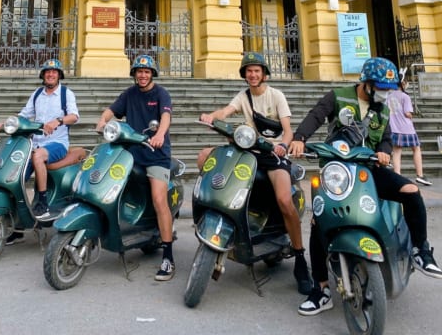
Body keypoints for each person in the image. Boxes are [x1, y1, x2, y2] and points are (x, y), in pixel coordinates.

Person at [289, 57, 442, 316]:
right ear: (367, 83)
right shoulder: (338, 96)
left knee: (412, 192)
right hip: (336, 173)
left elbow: (385, 137)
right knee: (319, 224)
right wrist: (299, 139)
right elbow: (315, 116)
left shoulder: (382, 108)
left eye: (388, 87)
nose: (385, 92)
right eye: (381, 87)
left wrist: (383, 152)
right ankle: (321, 290)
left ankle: (421, 251)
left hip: (369, 171)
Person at [197, 51, 312, 295]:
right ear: (244, 74)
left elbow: (288, 130)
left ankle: (300, 258)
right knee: (205, 156)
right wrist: (210, 117)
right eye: (248, 71)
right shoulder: (243, 96)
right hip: (248, 151)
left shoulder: (276, 95)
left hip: (273, 154)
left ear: (264, 74)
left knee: (283, 199)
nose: (252, 74)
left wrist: (282, 145)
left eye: (256, 70)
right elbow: (226, 111)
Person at [95, 54, 176, 281]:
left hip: (155, 155)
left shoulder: (161, 93)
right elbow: (111, 110)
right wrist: (103, 121)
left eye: (146, 72)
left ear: (152, 74)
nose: (142, 75)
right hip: (131, 153)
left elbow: (166, 116)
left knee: (159, 199)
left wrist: (160, 134)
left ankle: (168, 257)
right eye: (139, 72)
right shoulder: (129, 94)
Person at [0, 58, 79, 242]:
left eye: (54, 72)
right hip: (34, 143)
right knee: (14, 177)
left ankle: (42, 200)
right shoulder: (37, 94)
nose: (51, 75)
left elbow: (74, 116)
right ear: (43, 75)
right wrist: (7, 123)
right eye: (47, 72)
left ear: (59, 75)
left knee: (38, 156)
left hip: (57, 144)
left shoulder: (66, 94)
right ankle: (17, 225)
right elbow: (24, 114)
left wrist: (58, 121)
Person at [387, 70, 432, 185]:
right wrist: (411, 115)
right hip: (407, 128)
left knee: (397, 151)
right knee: (416, 149)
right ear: (403, 84)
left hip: (394, 127)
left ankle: (397, 176)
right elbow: (407, 113)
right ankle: (420, 175)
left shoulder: (389, 96)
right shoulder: (405, 97)